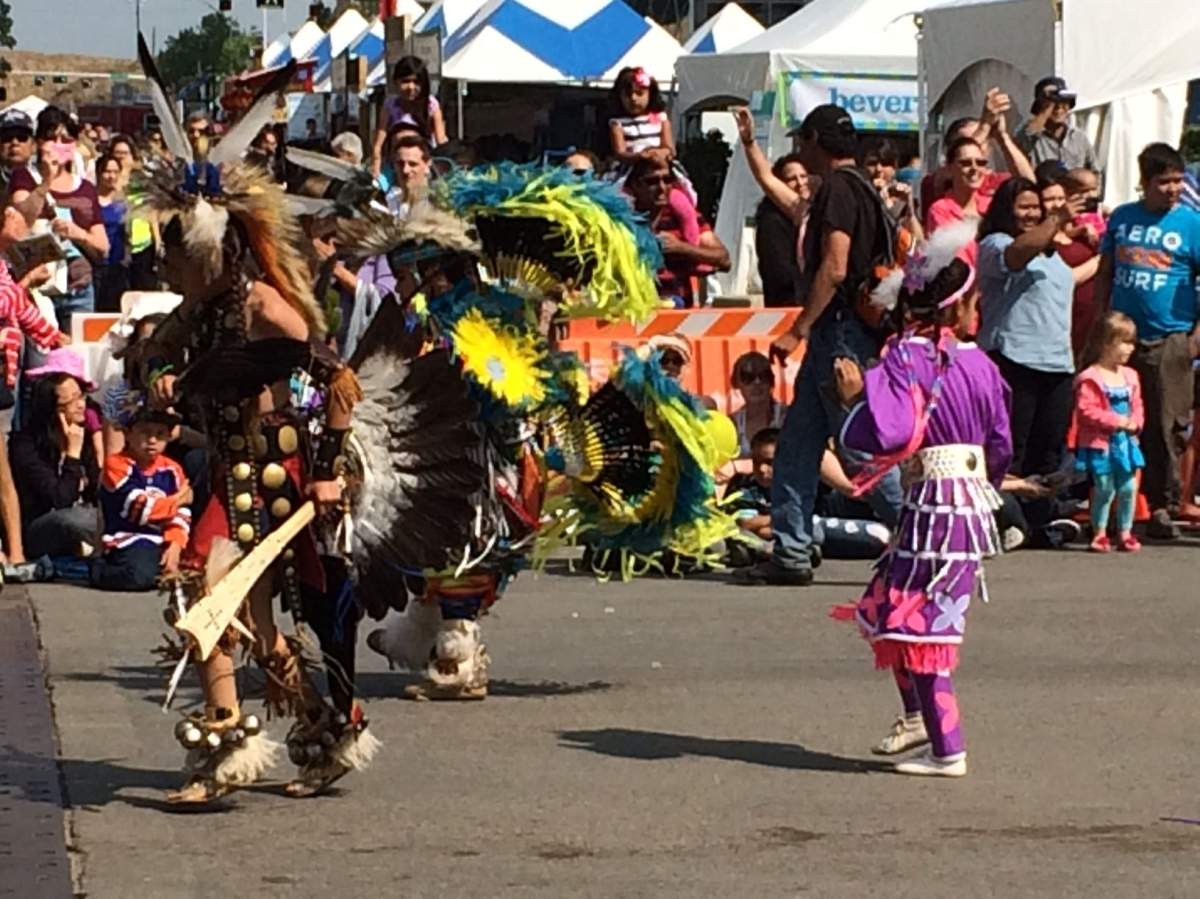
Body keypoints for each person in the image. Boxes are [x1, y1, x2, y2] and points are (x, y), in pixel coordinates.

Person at [830, 239, 1012, 778]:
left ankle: (947, 747)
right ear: (957, 306)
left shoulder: (902, 360)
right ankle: (918, 719)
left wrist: (852, 401)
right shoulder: (980, 366)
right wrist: (989, 490)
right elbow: (1000, 442)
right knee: (891, 609)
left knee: (920, 625)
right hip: (965, 505)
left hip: (934, 506)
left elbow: (885, 432)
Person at [738, 104, 895, 586]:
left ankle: (927, 541)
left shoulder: (840, 192)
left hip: (839, 332)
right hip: (847, 331)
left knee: (858, 449)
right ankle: (790, 551)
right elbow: (781, 194)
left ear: (813, 142)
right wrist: (749, 147)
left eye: (803, 142)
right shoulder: (861, 189)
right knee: (798, 447)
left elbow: (835, 266)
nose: (800, 151)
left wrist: (799, 328)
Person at [1091, 142, 1200, 540]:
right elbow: (1106, 271)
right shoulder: (1122, 218)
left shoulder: (1191, 223)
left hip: (1170, 334)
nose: (1171, 189)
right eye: (1163, 182)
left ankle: (1164, 504)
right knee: (1114, 418)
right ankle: (1113, 501)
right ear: (1145, 182)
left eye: (1177, 181)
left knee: (1165, 423)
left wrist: (1196, 335)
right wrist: (1097, 324)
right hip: (1121, 334)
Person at [977, 177, 1088, 480]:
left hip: (1058, 366)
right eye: (1023, 207)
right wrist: (1057, 218)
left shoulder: (1052, 256)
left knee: (1049, 455)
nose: (1032, 214)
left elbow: (1073, 278)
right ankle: (1008, 522)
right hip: (1014, 361)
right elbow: (1015, 256)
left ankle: (1042, 521)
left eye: (1036, 208)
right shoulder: (995, 244)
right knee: (1011, 452)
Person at [8, 106, 110, 332]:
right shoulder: (24, 178)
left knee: (76, 358)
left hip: (79, 288)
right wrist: (45, 182)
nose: (57, 145)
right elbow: (20, 218)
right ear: (38, 142)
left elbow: (103, 246)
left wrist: (78, 233)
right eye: (50, 138)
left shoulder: (84, 188)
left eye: (65, 139)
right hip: (37, 287)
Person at [86, 401, 191, 590]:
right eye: (145, 432)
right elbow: (139, 508)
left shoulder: (173, 469)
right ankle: (93, 569)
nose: (152, 440)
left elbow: (182, 514)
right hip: (126, 537)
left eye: (160, 434)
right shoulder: (116, 465)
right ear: (128, 434)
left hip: (160, 538)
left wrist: (175, 543)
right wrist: (179, 499)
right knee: (139, 575)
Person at [9, 368, 100, 559]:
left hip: (81, 518)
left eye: (81, 396)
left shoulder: (83, 434)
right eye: (71, 401)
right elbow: (60, 500)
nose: (81, 405)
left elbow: (96, 489)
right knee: (77, 519)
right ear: (52, 409)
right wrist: (72, 455)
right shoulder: (26, 445)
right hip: (41, 526)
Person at [1072, 312, 1144, 553]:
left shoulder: (1130, 376)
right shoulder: (1091, 377)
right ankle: (1099, 531)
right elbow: (1086, 410)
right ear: (1105, 343)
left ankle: (1125, 531)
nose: (1129, 348)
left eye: (1131, 342)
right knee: (1104, 487)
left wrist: (1135, 422)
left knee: (1128, 487)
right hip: (1101, 443)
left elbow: (1138, 405)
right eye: (1123, 342)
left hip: (1126, 444)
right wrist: (1116, 421)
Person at [608, 66, 702, 247]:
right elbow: (620, 152)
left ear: (651, 94)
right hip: (629, 175)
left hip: (661, 168)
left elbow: (670, 148)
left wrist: (658, 153)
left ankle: (693, 244)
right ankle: (627, 244)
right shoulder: (617, 123)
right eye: (628, 95)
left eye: (639, 93)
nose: (633, 99)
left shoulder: (660, 118)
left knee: (683, 206)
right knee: (621, 205)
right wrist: (638, 156)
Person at [624, 154, 730, 308]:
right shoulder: (620, 219)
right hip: (631, 314)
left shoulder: (685, 216)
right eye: (652, 181)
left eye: (667, 180)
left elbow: (724, 259)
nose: (662, 187)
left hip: (678, 313)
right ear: (634, 185)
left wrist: (681, 247)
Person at [734, 107, 811, 306]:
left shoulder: (821, 205)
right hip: (788, 305)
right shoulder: (774, 220)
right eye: (792, 179)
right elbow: (765, 178)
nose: (801, 183)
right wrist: (749, 143)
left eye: (804, 176)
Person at [920, 89, 1034, 218]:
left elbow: (1029, 184)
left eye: (983, 140)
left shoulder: (998, 181)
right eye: (967, 141)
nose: (976, 149)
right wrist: (985, 125)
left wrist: (1002, 137)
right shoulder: (936, 180)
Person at [370, 56, 447, 178]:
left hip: (421, 165)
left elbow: (441, 140)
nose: (411, 87)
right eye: (405, 81)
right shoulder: (390, 104)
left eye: (416, 82)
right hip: (395, 163)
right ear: (396, 82)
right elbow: (380, 137)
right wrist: (376, 161)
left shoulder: (431, 105)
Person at [1016, 77, 1100, 172]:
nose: (1059, 109)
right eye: (1052, 105)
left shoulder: (1079, 137)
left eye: (1064, 102)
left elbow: (1095, 171)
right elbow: (1022, 138)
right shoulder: (1030, 138)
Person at [729, 351, 786, 456]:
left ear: (771, 382)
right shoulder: (732, 424)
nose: (757, 383)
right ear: (737, 383)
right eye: (748, 377)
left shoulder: (788, 417)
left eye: (763, 376)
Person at [93, 153, 130, 312]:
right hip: (95, 265)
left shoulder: (123, 202)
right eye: (107, 172)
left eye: (116, 172)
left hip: (117, 267)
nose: (111, 176)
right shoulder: (90, 200)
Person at [385, 132, 432, 220]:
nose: (405, 170)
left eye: (412, 164)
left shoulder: (437, 203)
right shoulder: (389, 200)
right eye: (400, 164)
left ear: (427, 164)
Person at [0, 109, 35, 198]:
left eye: (22, 137)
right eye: (7, 136)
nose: (15, 143)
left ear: (33, 145)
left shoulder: (43, 178)